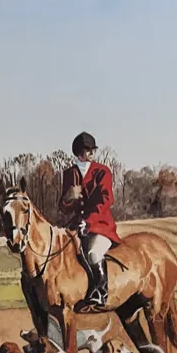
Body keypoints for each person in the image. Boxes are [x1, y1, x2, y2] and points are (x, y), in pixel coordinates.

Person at [59, 132, 120, 312]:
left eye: (93, 149)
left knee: (93, 254)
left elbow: (106, 200)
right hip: (76, 225)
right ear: (79, 152)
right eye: (88, 150)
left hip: (100, 224)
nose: (92, 153)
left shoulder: (102, 171)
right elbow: (63, 207)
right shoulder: (69, 174)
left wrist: (88, 221)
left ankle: (100, 293)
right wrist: (68, 198)